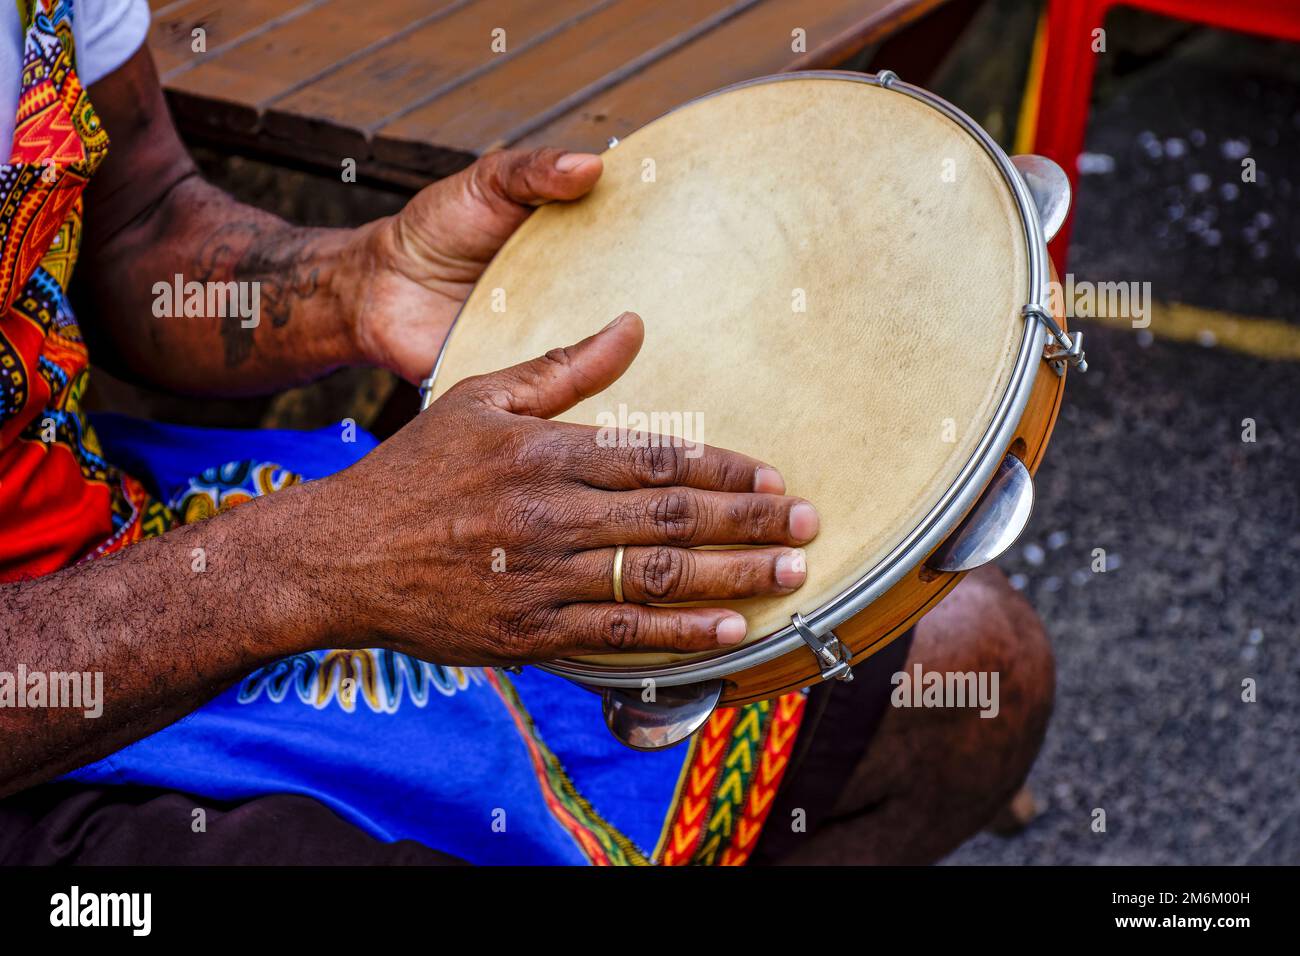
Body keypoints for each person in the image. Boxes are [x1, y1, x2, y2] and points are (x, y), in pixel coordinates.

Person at [0, 0, 1054, 865]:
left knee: (966, 675)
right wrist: (311, 561)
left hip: (117, 534)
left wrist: (356, 286)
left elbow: (137, 220)